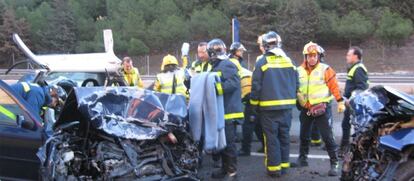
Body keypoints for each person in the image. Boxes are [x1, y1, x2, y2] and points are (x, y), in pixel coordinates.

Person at [250, 31, 298, 177]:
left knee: (271, 139)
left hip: (268, 109)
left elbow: (256, 86)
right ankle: (284, 166)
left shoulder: (262, 62)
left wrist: (253, 105)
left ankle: (273, 169)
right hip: (287, 108)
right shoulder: (289, 61)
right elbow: (297, 83)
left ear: (265, 46)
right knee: (284, 137)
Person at [295, 41, 346, 176]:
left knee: (327, 137)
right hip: (306, 109)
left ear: (318, 56)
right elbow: (295, 87)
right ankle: (302, 159)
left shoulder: (325, 69)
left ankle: (334, 163)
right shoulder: (298, 70)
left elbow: (334, 87)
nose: (312, 58)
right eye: (309, 55)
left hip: (322, 109)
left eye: (314, 55)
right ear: (305, 56)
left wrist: (340, 101)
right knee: (304, 135)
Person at [207, 38, 243, 179]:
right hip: (222, 112)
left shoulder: (226, 65)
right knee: (222, 144)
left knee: (229, 144)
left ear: (212, 53)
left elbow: (233, 83)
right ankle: (224, 169)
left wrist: (215, 89)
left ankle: (232, 172)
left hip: (229, 112)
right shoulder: (217, 66)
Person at [238, 38, 265, 156]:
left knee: (248, 124)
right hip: (256, 95)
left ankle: (246, 149)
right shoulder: (240, 63)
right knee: (257, 124)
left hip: (251, 96)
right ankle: (265, 145)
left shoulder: (235, 63)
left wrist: (250, 97)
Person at [340, 46, 369, 152]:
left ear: (355, 56)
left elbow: (361, 88)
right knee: (347, 124)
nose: (346, 56)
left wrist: (350, 99)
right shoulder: (355, 67)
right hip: (351, 102)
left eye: (349, 55)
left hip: (353, 103)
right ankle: (347, 146)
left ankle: (349, 148)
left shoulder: (359, 69)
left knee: (352, 125)